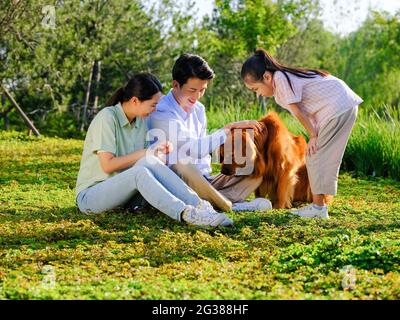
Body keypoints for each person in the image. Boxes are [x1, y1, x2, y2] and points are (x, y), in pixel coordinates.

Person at [75, 73, 232, 227]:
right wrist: (146, 153)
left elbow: (145, 162)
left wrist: (158, 153)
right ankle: (186, 213)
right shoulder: (107, 118)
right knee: (140, 170)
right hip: (91, 196)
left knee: (150, 162)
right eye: (153, 105)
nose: (155, 110)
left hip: (126, 194)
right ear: (135, 101)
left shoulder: (140, 122)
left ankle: (200, 205)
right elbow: (107, 165)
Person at [241, 48, 363, 219]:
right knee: (321, 156)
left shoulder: (280, 79)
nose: (258, 94)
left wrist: (313, 136)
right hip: (341, 106)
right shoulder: (282, 81)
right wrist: (315, 133)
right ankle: (319, 206)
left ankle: (319, 208)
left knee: (315, 156)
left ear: (267, 77)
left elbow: (299, 113)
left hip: (337, 107)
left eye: (256, 89)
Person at [149, 53, 272, 212]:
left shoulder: (198, 109)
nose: (197, 96)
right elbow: (194, 149)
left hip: (203, 181)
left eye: (202, 90)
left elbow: (205, 149)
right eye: (192, 90)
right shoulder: (161, 111)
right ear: (175, 85)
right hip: (177, 181)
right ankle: (231, 206)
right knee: (182, 164)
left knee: (254, 168)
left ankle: (211, 199)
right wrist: (229, 128)